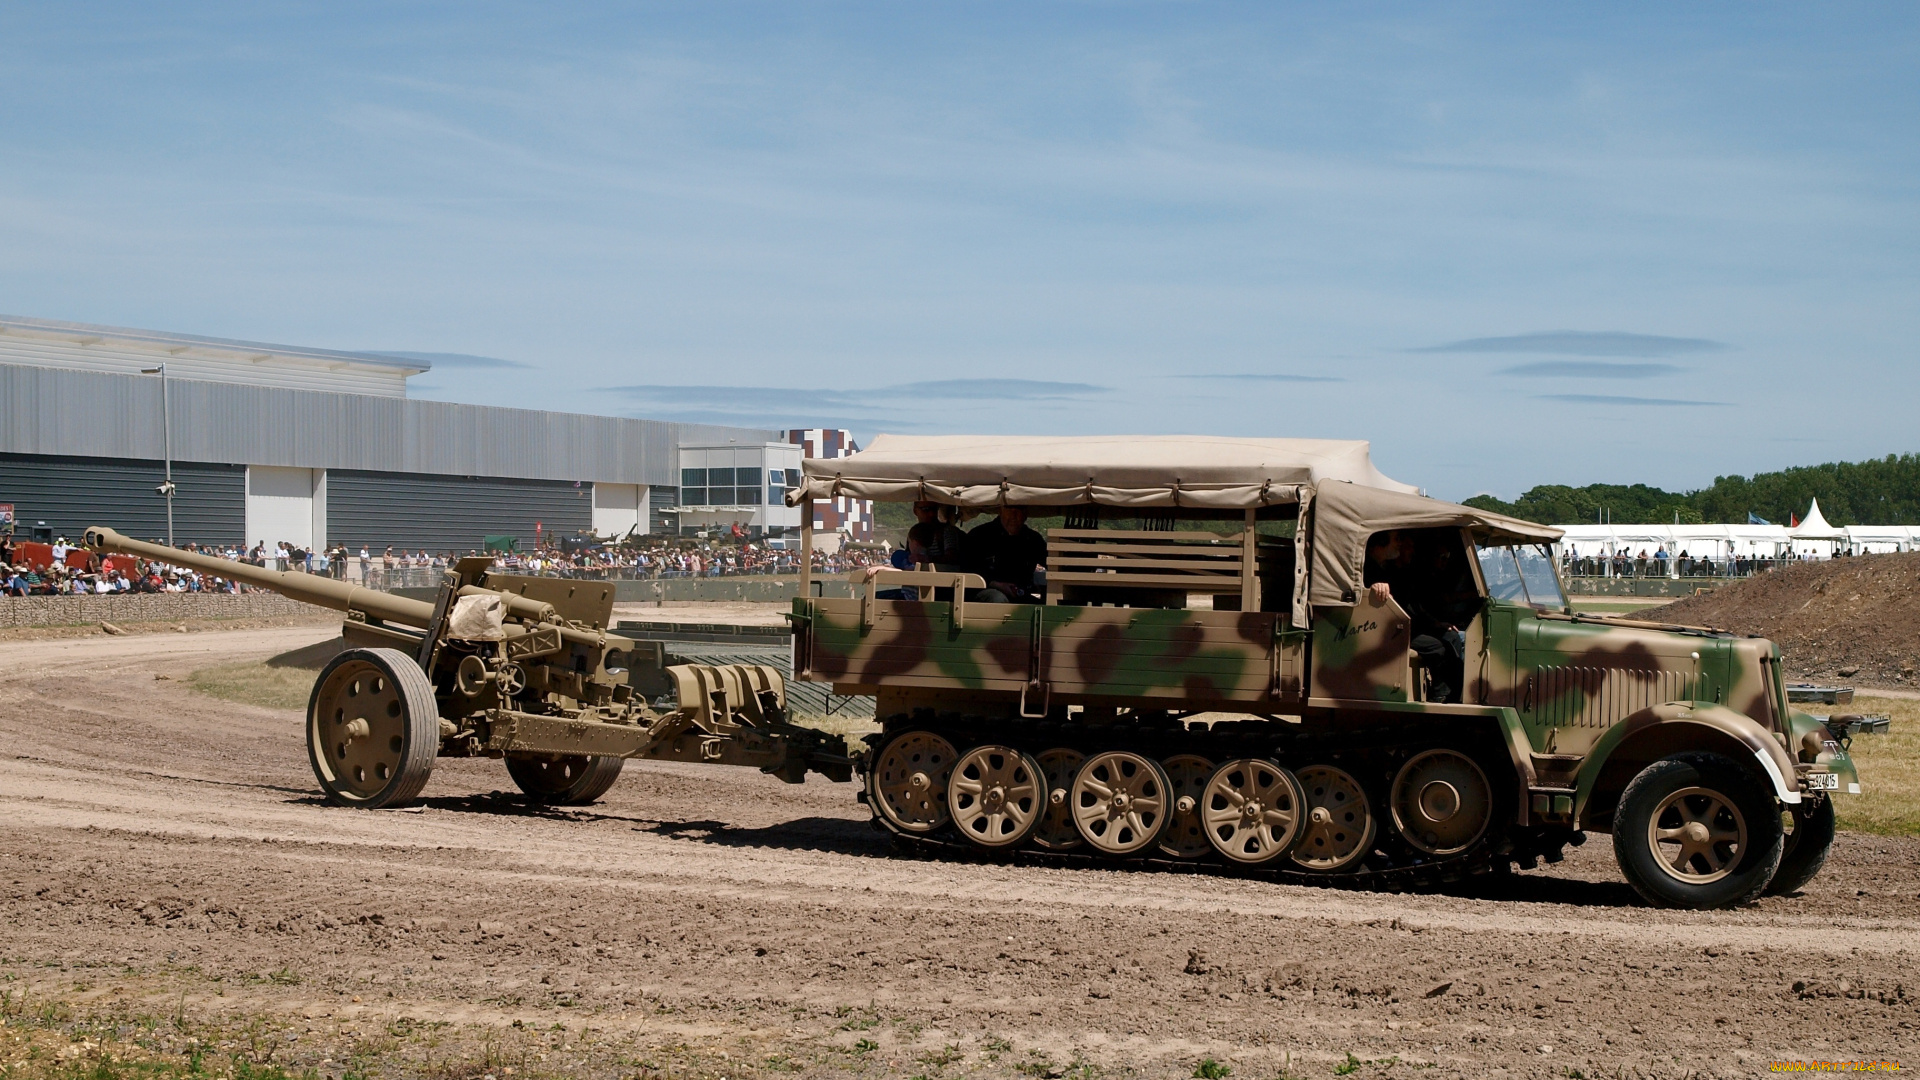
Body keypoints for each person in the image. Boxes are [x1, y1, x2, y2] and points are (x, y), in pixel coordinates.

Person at [967, 506, 1046, 603]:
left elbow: (1050, 562)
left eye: (1018, 510)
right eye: (1009, 510)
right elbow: (968, 569)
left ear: (1025, 514)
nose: (1013, 516)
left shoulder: (1033, 539)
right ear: (1001, 511)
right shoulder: (979, 535)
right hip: (987, 590)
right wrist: (995, 584)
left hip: (1019, 593)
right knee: (997, 599)